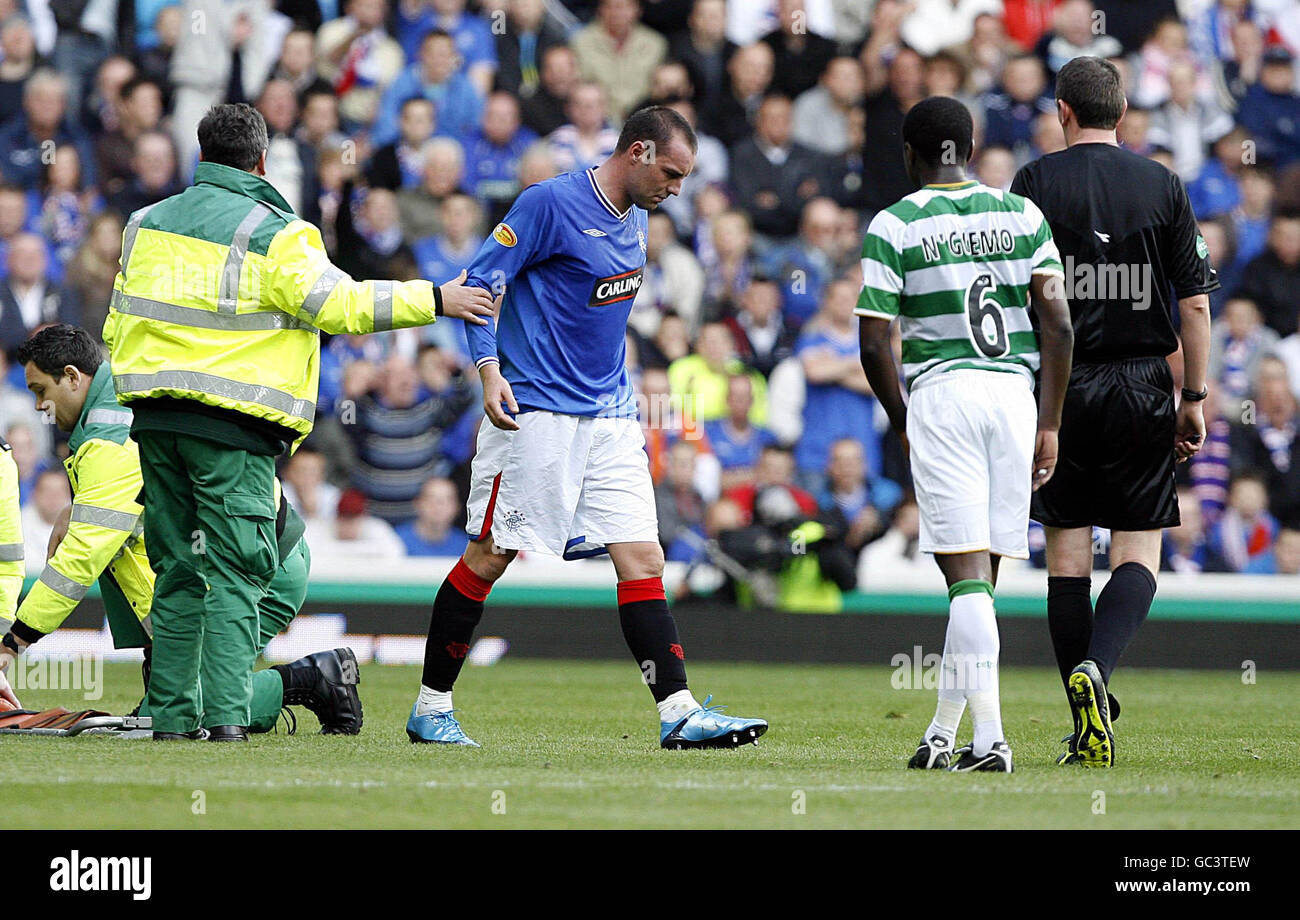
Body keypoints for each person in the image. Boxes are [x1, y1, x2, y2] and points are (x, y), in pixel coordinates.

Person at [103, 103, 493, 742]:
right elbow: (339, 305)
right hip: (231, 430)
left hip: (153, 421)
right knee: (234, 572)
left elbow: (118, 323)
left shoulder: (143, 224)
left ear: (200, 155)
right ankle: (227, 718)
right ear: (262, 162)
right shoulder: (278, 230)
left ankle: (173, 720)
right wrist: (436, 298)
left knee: (175, 570)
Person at [409, 106, 768, 749]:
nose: (677, 190)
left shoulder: (638, 217)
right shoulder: (547, 204)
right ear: (637, 152)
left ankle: (678, 711)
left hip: (609, 414)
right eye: (673, 174)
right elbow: (482, 284)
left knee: (643, 557)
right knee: (491, 556)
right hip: (536, 412)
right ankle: (431, 706)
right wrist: (489, 371)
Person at [0, 325, 363, 736]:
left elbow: (80, 560)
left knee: (193, 708)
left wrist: (13, 642)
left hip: (261, 567)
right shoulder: (120, 405)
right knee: (163, 712)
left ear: (71, 377)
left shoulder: (109, 438)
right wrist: (75, 508)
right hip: (243, 557)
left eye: (40, 390)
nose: (38, 406)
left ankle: (315, 678)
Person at [1010, 57, 1217, 768]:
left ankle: (1080, 721)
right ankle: (1098, 671)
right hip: (1140, 385)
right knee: (1138, 548)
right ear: (1121, 111)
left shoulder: (1035, 182)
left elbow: (1018, 297)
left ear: (1063, 111)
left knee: (1067, 557)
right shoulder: (1163, 183)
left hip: (1062, 386)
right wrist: (1192, 398)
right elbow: (1193, 302)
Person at [857, 96, 1074, 773]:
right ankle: (944, 734)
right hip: (1014, 395)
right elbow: (1060, 327)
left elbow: (872, 342)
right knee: (981, 582)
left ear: (909, 154)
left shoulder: (894, 225)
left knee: (964, 580)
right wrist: (1050, 420)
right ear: (972, 148)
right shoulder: (1022, 214)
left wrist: (902, 421)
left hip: (944, 396)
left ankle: (992, 741)